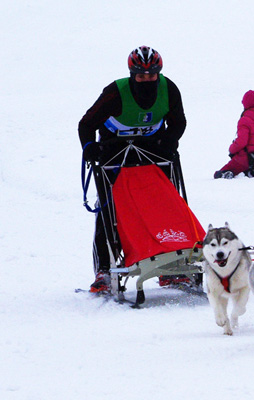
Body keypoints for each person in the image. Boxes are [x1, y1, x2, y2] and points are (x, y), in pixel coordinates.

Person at [78, 46, 186, 293]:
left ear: (158, 73)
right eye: (141, 75)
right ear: (132, 74)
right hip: (113, 155)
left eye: (151, 75)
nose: (147, 79)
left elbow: (178, 121)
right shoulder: (116, 92)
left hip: (152, 153)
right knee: (109, 211)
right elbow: (86, 124)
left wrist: (170, 140)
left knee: (164, 207)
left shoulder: (168, 89)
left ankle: (171, 267)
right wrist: (89, 147)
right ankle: (104, 271)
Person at [214, 90, 254, 179]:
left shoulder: (244, 120)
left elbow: (241, 142)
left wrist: (231, 149)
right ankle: (250, 171)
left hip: (245, 159)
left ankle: (230, 174)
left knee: (218, 174)